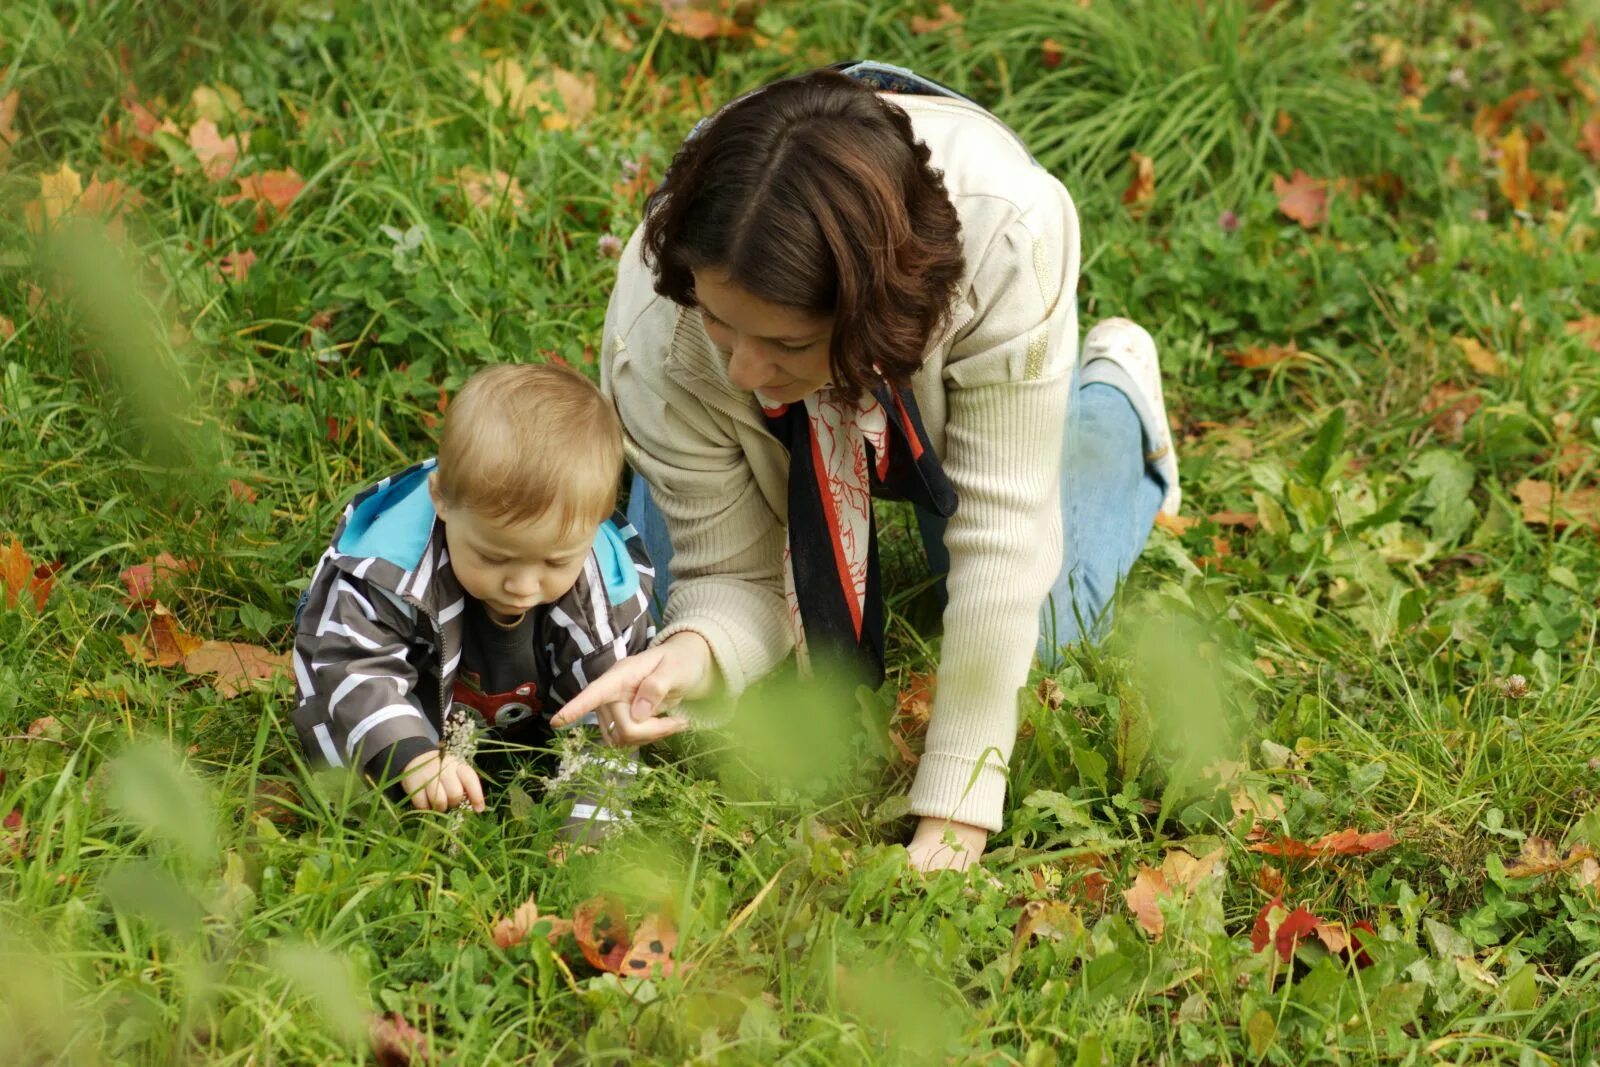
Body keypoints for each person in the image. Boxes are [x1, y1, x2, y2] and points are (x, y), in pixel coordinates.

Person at [553, 63, 1181, 871]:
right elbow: (732, 575)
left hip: (934, 364)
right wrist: (689, 656)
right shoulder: (660, 325)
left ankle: (1115, 402)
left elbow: (1002, 538)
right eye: (720, 322)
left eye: (783, 342)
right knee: (691, 634)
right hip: (779, 388)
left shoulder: (1009, 239)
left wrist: (954, 814)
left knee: (1046, 631)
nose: (742, 368)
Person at [290, 362, 668, 839]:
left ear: (593, 528)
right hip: (414, 704)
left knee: (607, 718)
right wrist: (410, 755)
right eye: (494, 557)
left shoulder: (601, 600)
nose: (523, 586)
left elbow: (608, 716)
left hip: (530, 717)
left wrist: (588, 833)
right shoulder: (391, 571)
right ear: (443, 499)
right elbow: (351, 663)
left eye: (554, 563)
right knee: (359, 785)